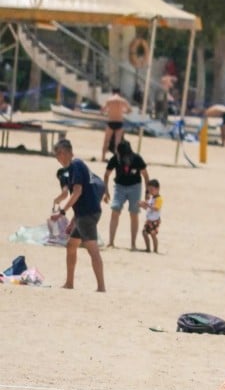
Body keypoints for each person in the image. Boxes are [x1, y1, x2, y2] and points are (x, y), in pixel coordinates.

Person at [50, 139, 105, 291]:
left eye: (59, 153)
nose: (57, 157)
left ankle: (101, 287)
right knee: (71, 245)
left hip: (88, 214)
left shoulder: (76, 166)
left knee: (92, 249)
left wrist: (62, 212)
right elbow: (82, 195)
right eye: (56, 154)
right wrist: (73, 220)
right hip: (83, 214)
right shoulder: (71, 170)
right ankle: (69, 283)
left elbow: (78, 192)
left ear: (68, 152)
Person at [103, 140, 150, 250]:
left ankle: (133, 244)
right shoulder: (115, 159)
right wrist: (106, 191)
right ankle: (111, 242)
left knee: (134, 213)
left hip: (135, 186)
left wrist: (147, 193)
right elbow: (106, 175)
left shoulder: (137, 159)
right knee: (115, 211)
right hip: (119, 186)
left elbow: (146, 176)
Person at [100, 89, 131, 158]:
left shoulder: (109, 100)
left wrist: (108, 112)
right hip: (119, 122)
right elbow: (129, 110)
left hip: (111, 121)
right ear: (119, 93)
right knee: (117, 143)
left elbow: (102, 110)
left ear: (112, 92)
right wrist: (123, 112)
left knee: (106, 141)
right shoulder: (123, 100)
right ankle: (117, 159)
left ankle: (103, 157)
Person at [140, 179, 162, 253]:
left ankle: (155, 250)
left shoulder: (159, 199)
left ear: (157, 189)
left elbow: (156, 208)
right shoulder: (151, 198)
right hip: (149, 219)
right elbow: (147, 208)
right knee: (144, 233)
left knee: (153, 234)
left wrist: (147, 205)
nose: (151, 191)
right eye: (149, 190)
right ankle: (148, 248)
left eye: (152, 189)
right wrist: (142, 205)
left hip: (155, 220)